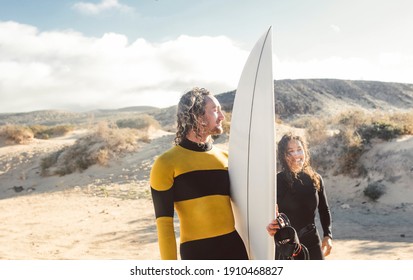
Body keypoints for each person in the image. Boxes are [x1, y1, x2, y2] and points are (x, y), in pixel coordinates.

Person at [150, 87, 248, 260]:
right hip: (197, 253)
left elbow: (247, 205)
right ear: (198, 116)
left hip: (235, 250)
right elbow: (164, 224)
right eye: (215, 110)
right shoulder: (166, 164)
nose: (222, 116)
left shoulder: (226, 158)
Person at [266, 132, 333, 260]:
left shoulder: (315, 178)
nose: (296, 155)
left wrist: (327, 235)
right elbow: (267, 214)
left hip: (312, 241)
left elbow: (324, 210)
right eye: (290, 151)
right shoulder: (276, 181)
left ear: (305, 152)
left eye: (299, 150)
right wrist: (270, 225)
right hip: (287, 244)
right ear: (283, 156)